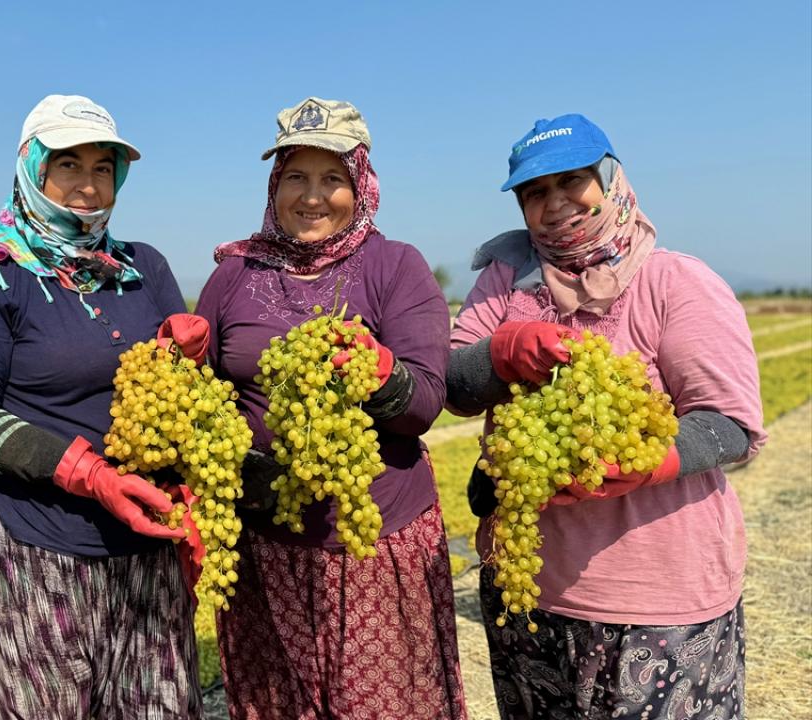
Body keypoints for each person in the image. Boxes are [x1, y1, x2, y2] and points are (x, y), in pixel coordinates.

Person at [447, 113, 765, 719]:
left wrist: (651, 462)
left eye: (572, 181)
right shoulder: (505, 281)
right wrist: (500, 352)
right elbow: (456, 388)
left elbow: (730, 423)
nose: (554, 204)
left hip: (658, 602)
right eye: (534, 192)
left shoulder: (675, 282)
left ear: (611, 179)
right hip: (526, 590)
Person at [195, 97, 467, 720]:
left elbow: (425, 402)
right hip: (263, 544)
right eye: (296, 176)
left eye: (332, 178)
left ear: (361, 184)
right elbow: (201, 387)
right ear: (275, 185)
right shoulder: (234, 273)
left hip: (372, 543)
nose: (312, 196)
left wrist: (381, 371)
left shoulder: (396, 266)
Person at [0, 94, 204, 720]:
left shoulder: (143, 268)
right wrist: (89, 474)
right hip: (28, 546)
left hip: (142, 548)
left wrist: (190, 362)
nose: (88, 184)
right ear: (32, 168)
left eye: (103, 168)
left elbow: (180, 399)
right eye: (68, 164)